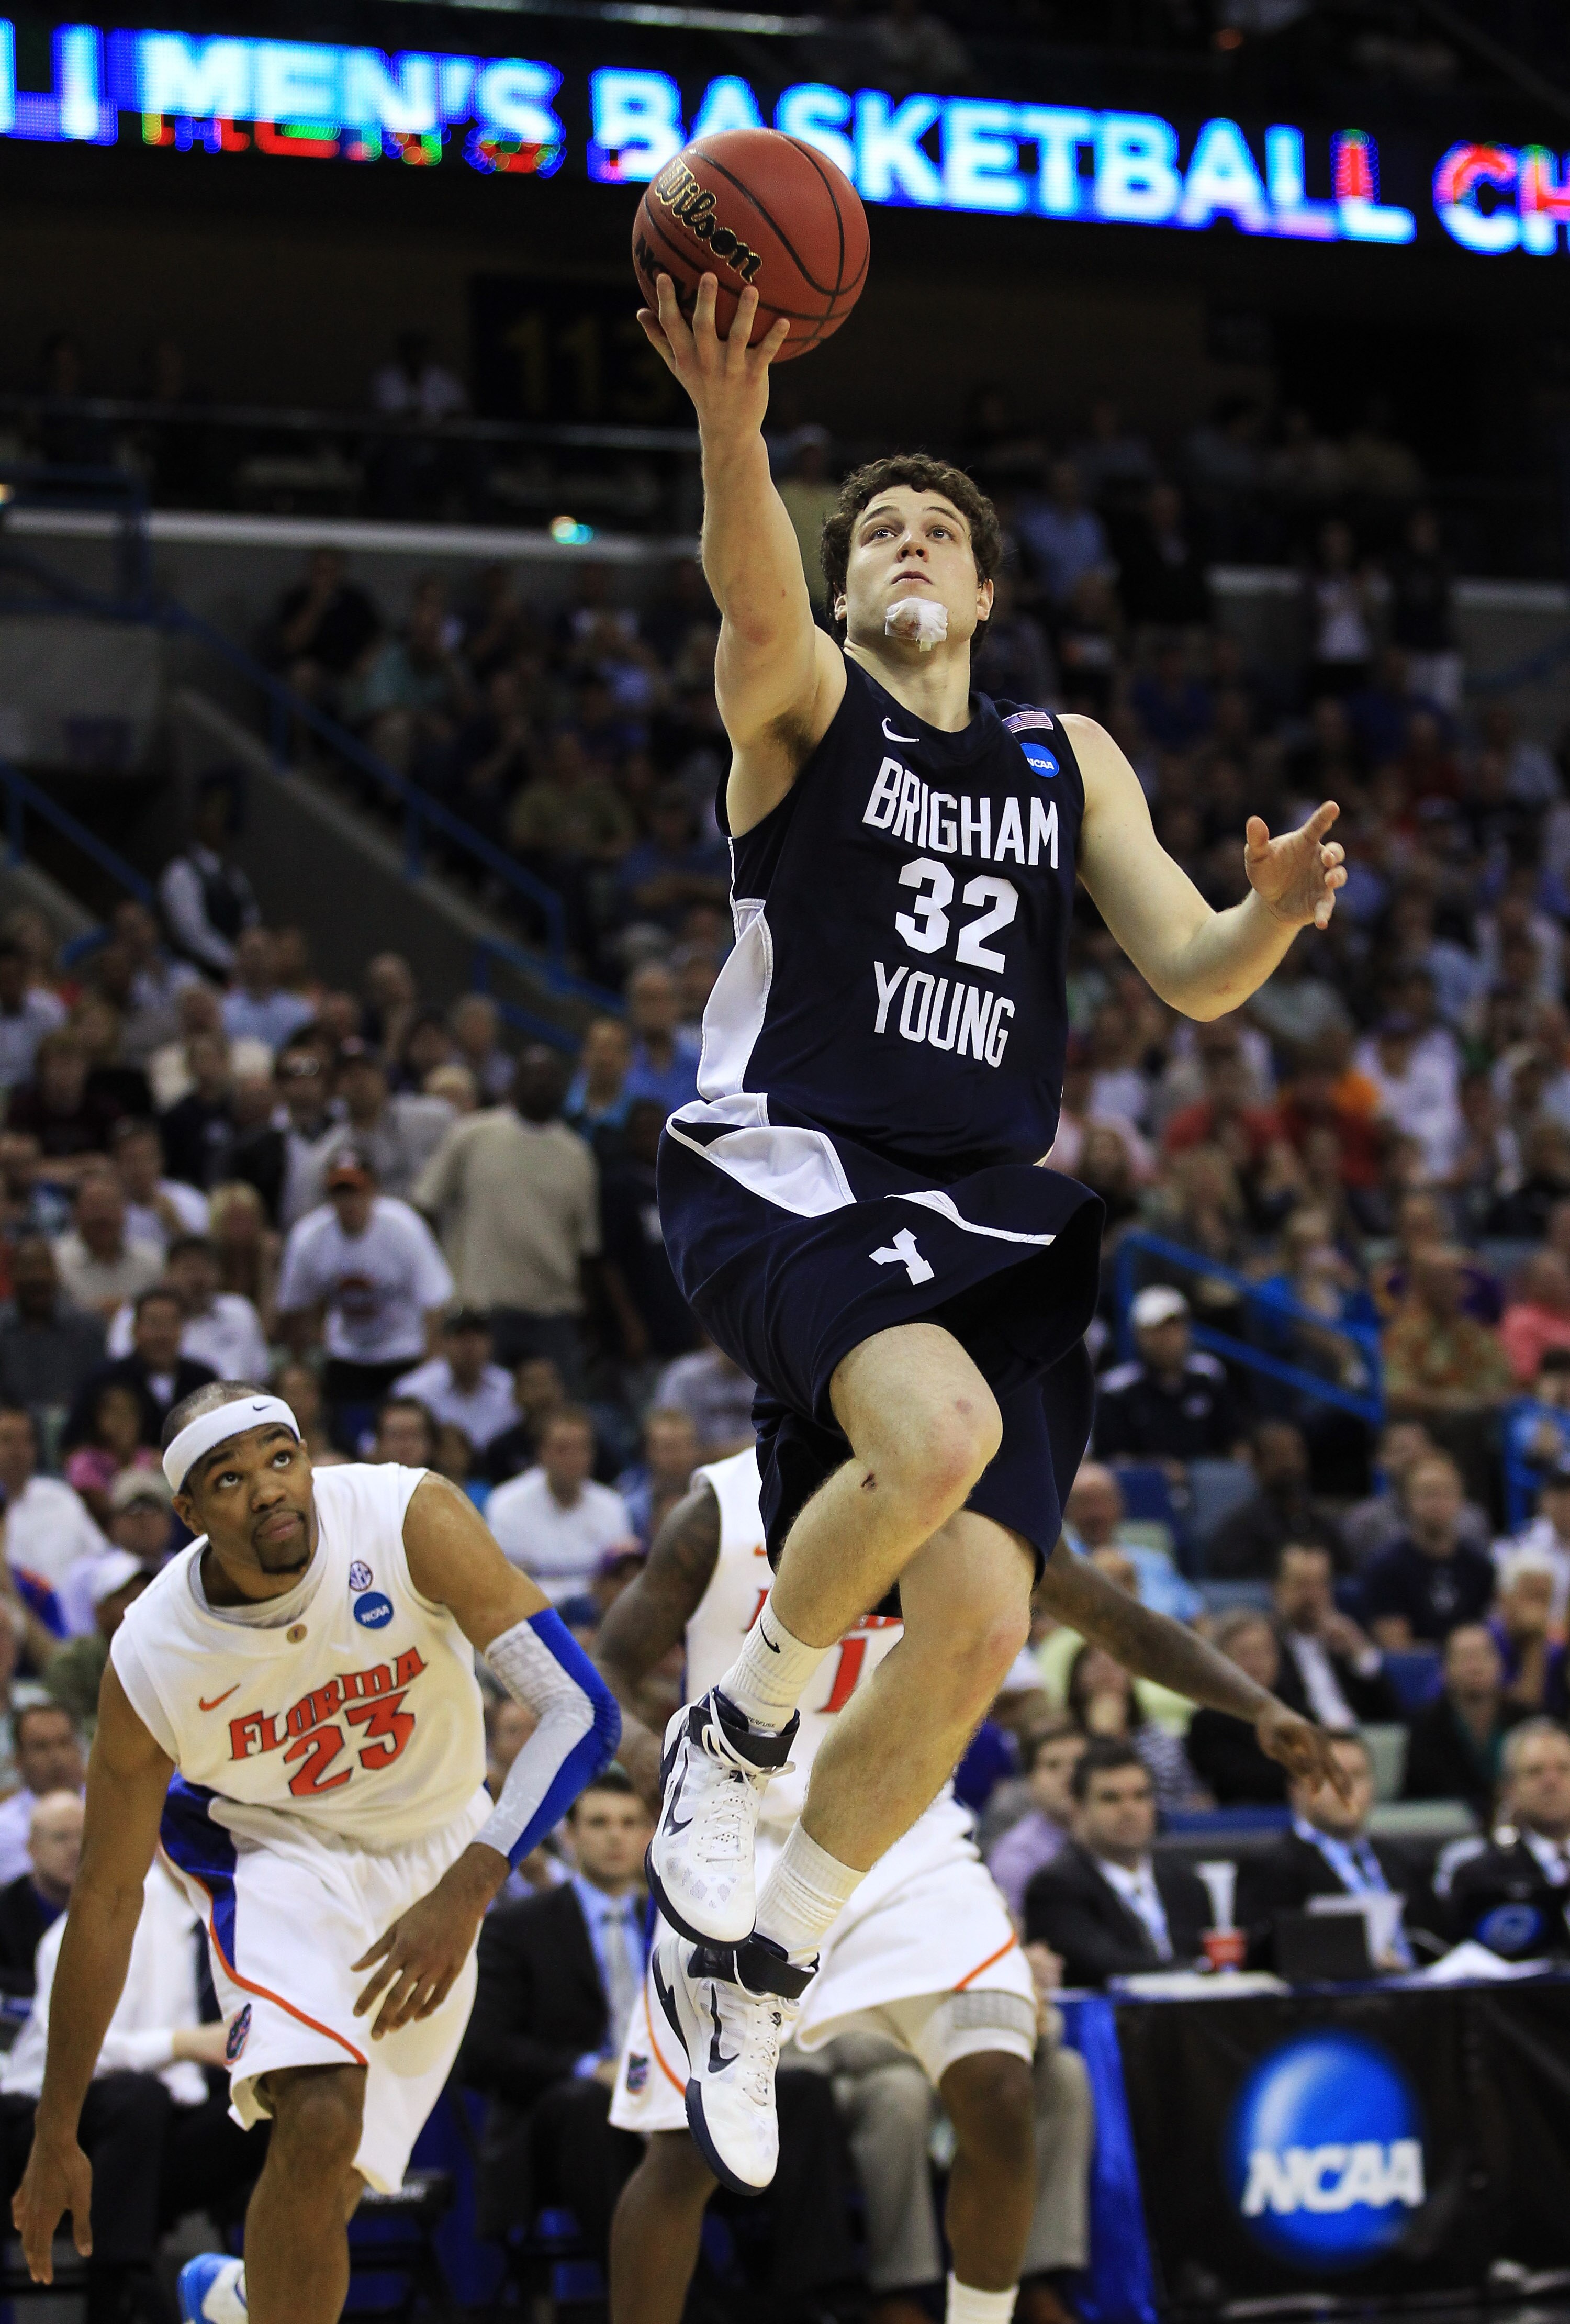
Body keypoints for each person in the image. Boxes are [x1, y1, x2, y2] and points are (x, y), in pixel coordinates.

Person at [636, 271, 1345, 2206]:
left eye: (936, 525)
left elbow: (1192, 974)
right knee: (934, 1440)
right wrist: (734, 423)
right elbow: (748, 589)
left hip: (977, 1205)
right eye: (874, 529)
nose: (904, 544)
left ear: (987, 585)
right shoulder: (799, 706)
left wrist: (1269, 906)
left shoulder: (1063, 757)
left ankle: (753, 1967)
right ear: (848, 584)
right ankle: (742, 1715)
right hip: (794, 1157)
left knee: (970, 1630)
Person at [10, 1377, 621, 2324]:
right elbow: (105, 1899)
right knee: (323, 2111)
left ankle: (240, 2300)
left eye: (280, 1458)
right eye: (228, 1478)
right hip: (277, 1856)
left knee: (330, 2181)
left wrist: (466, 1891)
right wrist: (57, 2129)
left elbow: (581, 1709)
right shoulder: (151, 1655)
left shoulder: (409, 1514)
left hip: (445, 1848)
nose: (266, 1490)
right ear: (188, 1511)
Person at [598, 1455, 1094, 2324]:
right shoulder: (717, 1510)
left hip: (898, 1831)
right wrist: (652, 1758)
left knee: (1003, 2089)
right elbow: (608, 1663)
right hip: (741, 1836)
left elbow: (1112, 1620)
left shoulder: (964, 1484)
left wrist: (1262, 1707)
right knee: (681, 2153)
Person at [2, 1857, 250, 2324]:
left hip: (155, 2130)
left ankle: (258, 2287)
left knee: (276, 2104)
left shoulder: (237, 1914)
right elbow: (73, 2053)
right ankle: (121, 2290)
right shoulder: (104, 1914)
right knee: (139, 2098)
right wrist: (183, 2043)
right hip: (45, 2120)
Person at [459, 1770, 656, 2269]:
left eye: (630, 1823)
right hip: (554, 2130)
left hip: (667, 2101)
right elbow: (484, 2051)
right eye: (599, 1822)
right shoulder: (516, 1929)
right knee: (589, 2103)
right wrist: (591, 2068)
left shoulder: (677, 1927)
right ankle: (638, 2292)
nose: (616, 1835)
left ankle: (805, 2297)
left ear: (650, 1835)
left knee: (799, 2091)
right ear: (569, 1836)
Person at [413, 1047, 601, 1380]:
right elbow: (425, 1204)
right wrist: (442, 1275)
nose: (541, 1085)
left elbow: (586, 1246)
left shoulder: (577, 1155)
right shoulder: (471, 1134)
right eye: (533, 1076)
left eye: (550, 1079)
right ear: (514, 1084)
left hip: (551, 1311)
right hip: (480, 1308)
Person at [276, 1147, 454, 1416]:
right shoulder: (309, 1237)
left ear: (373, 1191)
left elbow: (435, 1305)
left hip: (404, 1352)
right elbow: (296, 1309)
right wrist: (306, 1367)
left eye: (356, 1192)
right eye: (340, 1193)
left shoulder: (404, 1228)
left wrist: (427, 1375)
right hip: (346, 1353)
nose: (349, 1202)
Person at [1022, 1740, 1210, 1987]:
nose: (1129, 1809)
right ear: (1078, 1808)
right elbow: (1102, 1964)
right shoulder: (1055, 1887)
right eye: (1111, 1799)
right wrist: (1197, 1970)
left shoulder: (1185, 1881)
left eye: (1140, 1796)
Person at [1239, 1731, 1420, 1972]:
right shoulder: (1272, 1865)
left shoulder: (1401, 1859)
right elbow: (1264, 1957)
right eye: (1328, 1776)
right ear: (1297, 1788)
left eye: (1356, 1776)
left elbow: (1438, 1942)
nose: (1344, 1787)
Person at [1439, 1718, 1570, 1958]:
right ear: (1509, 1789)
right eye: (1535, 1772)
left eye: (1564, 1769)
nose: (1552, 1782)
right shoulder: (1480, 1877)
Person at [486, 1409, 634, 1605]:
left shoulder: (613, 1506)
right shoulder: (505, 1505)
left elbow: (619, 1584)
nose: (572, 1458)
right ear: (541, 1453)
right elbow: (504, 1586)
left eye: (582, 1448)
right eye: (562, 1449)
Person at [1093, 1287, 1248, 1469]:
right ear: (1139, 1335)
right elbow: (1112, 1458)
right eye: (1156, 1331)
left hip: (1207, 1483)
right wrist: (1159, 1471)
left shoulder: (1209, 1374)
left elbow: (1235, 1441)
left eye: (1173, 1328)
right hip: (1146, 1488)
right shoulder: (1117, 1388)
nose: (1166, 1339)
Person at [1359, 1453, 1498, 1647]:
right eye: (1427, 1494)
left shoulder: (1480, 1566)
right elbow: (1399, 1651)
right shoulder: (1385, 1568)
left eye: (1444, 1493)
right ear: (1408, 1501)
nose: (1436, 1503)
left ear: (1460, 1498)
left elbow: (1492, 1637)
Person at [64, 1287, 218, 1457]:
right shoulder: (104, 1379)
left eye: (170, 1324)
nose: (162, 1335)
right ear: (134, 1329)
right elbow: (73, 1444)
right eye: (153, 1324)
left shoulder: (204, 1380)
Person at [1270, 1541, 1401, 1727]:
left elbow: (1389, 1715)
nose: (1311, 1596)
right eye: (1301, 1585)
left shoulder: (1343, 1646)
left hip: (1358, 1744)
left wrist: (1360, 1654)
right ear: (1278, 1590)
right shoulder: (1268, 1646)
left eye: (1320, 1585)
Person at [1402, 1623, 1521, 1820]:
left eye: (1484, 1655)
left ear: (1500, 1664)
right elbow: (1421, 1792)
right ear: (1445, 1670)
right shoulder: (1425, 1725)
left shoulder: (1523, 1719)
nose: (1475, 1667)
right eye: (1465, 1658)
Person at [1204, 1421, 1345, 1579]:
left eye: (1296, 1452)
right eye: (1278, 1455)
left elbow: (1345, 1579)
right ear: (1257, 1464)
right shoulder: (1237, 1532)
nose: (1290, 1463)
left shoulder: (1323, 1525)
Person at [0, 1405, 106, 1611]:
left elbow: (101, 1559)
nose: (18, 1451)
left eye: (27, 1440)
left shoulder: (62, 1498)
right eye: (7, 1440)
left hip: (74, 1622)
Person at [1184, 1615, 1291, 1806]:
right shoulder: (1208, 1720)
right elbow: (1236, 1782)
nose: (1256, 1663)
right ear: (1222, 1661)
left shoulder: (1295, 1706)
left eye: (1264, 1652)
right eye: (1245, 1653)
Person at [158, 778, 260, 976]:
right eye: (212, 814)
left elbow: (251, 923)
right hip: (188, 971)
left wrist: (251, 959)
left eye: (224, 816)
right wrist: (234, 962)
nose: (219, 823)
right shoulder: (180, 871)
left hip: (235, 975)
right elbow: (192, 933)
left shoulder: (234, 876)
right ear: (198, 818)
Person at [984, 1726, 1086, 1921]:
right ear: (1030, 1783)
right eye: (1053, 1765)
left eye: (1080, 1763)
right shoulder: (1015, 1858)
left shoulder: (1123, 1836)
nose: (1070, 1775)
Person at [0, 1237, 105, 1425]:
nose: (36, 1277)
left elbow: (98, 1396)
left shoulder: (88, 1328)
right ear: (12, 1275)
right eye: (27, 1268)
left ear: (57, 1274)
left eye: (43, 1267)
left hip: (73, 1433)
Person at [392, 1310, 518, 1455]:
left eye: (476, 1338)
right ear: (444, 1343)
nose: (469, 1347)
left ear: (490, 1343)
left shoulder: (508, 1385)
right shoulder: (414, 1389)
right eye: (461, 1338)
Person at [0, 1791, 81, 1998]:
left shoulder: (117, 1906)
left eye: (84, 1836)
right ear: (32, 1848)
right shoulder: (6, 1910)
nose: (76, 1849)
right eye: (61, 1838)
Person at [52, 1175, 163, 1321]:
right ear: (76, 1212)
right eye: (94, 1207)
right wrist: (93, 1313)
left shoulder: (152, 1260)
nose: (103, 1216)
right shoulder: (56, 1259)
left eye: (110, 1206)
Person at [0, 1706, 85, 1885]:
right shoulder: (4, 1828)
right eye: (41, 1747)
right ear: (18, 1760)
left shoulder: (116, 1809)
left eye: (64, 1743)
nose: (56, 1757)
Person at [614, 1407, 701, 1549]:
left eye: (685, 1446)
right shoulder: (626, 1507)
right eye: (668, 1448)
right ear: (648, 1451)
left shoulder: (713, 1500)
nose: (678, 1456)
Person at [221, 930, 316, 1059]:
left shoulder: (299, 1011)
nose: (257, 960)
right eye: (250, 954)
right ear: (239, 959)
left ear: (275, 957)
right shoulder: (223, 1010)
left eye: (262, 953)